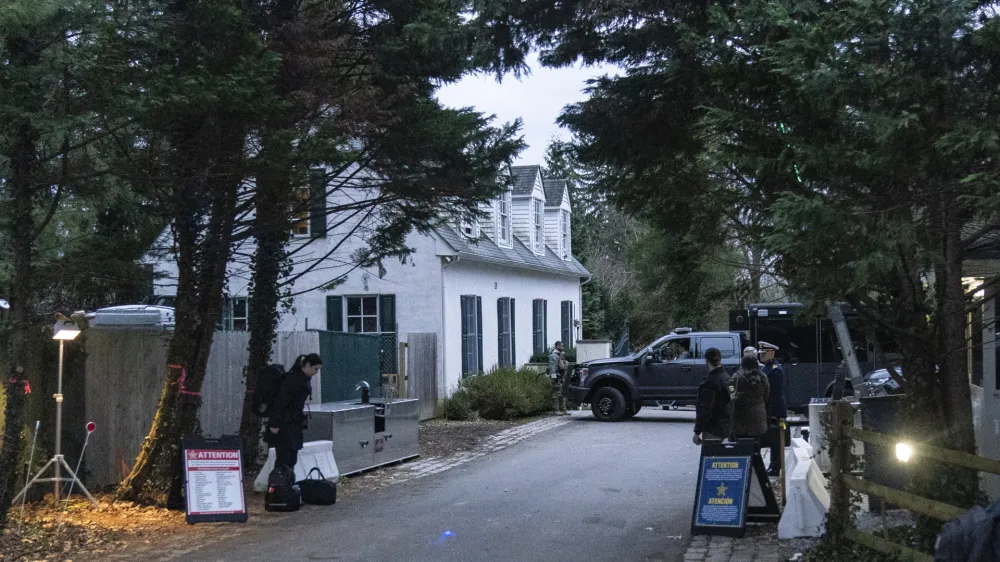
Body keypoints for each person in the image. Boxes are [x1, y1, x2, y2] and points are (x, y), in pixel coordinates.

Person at [265, 353, 322, 470]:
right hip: (285, 423)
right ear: (307, 365)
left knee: (291, 457)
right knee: (284, 457)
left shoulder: (302, 379)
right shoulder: (293, 380)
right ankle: (279, 484)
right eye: (315, 369)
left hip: (293, 421)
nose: (316, 372)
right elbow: (280, 402)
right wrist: (275, 423)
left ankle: (285, 483)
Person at [693, 347, 732, 445]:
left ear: (707, 361)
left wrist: (697, 432)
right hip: (728, 427)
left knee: (712, 457)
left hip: (713, 428)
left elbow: (704, 408)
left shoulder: (709, 382)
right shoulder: (728, 378)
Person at [759, 341, 786, 476]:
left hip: (775, 409)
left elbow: (774, 395)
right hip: (770, 408)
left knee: (775, 439)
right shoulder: (767, 368)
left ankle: (776, 466)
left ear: (771, 353)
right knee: (772, 438)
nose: (761, 356)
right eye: (761, 354)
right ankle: (773, 464)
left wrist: (771, 413)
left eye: (764, 354)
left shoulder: (775, 370)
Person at [730, 353, 770, 442]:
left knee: (741, 448)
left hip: (741, 418)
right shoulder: (763, 377)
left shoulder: (736, 377)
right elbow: (766, 396)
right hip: (758, 418)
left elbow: (730, 395)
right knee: (756, 446)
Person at [549, 341, 569, 415]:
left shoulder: (560, 355)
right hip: (557, 377)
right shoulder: (553, 356)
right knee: (555, 393)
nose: (563, 348)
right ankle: (556, 410)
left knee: (562, 393)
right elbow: (552, 368)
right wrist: (554, 377)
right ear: (557, 346)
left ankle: (563, 409)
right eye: (561, 346)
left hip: (562, 377)